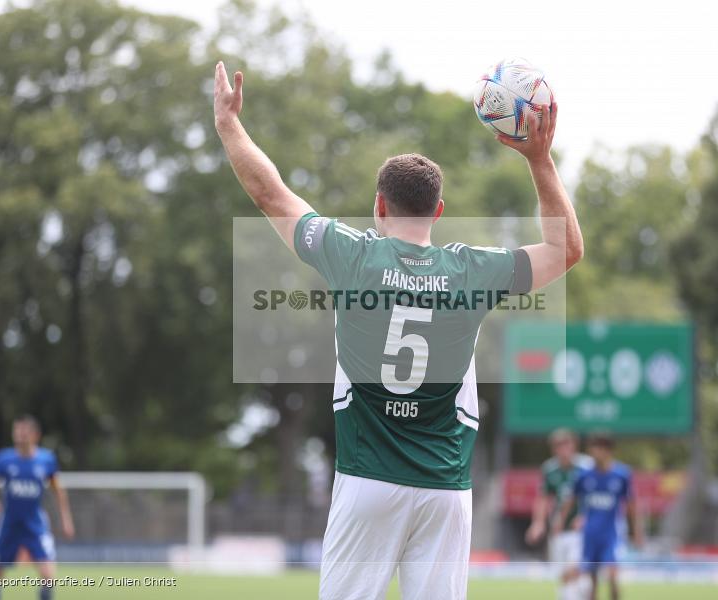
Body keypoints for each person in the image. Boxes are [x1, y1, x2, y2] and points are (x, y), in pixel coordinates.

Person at [213, 61, 583, 600]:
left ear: (379, 206)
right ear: (439, 211)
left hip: (367, 481)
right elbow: (565, 250)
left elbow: (270, 194)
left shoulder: (350, 255)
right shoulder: (473, 271)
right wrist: (540, 158)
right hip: (445, 491)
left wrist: (228, 124)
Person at [0, 415, 75, 600]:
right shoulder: (4, 459)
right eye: (17, 431)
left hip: (34, 523)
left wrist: (66, 520)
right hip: (9, 523)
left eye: (24, 431)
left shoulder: (46, 460)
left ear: (35, 435)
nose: (20, 435)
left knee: (48, 575)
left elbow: (59, 492)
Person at [556, 432, 641, 600]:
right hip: (590, 535)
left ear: (608, 450)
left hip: (611, 534)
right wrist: (560, 520)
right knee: (592, 580)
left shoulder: (621, 475)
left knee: (612, 576)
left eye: (600, 448)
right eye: (593, 448)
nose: (596, 453)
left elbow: (631, 505)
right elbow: (571, 499)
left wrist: (636, 531)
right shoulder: (584, 476)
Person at [525, 429, 592, 600]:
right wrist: (538, 523)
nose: (563, 450)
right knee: (563, 575)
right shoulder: (550, 469)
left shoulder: (586, 467)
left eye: (566, 445)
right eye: (558, 446)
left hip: (581, 531)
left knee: (575, 570)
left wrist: (586, 517)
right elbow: (543, 498)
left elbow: (594, 495)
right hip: (559, 529)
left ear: (574, 446)